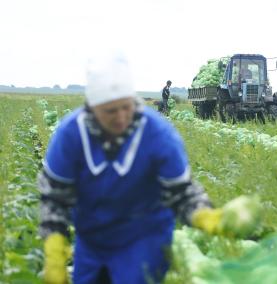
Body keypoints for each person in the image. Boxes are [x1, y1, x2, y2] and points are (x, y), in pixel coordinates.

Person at [38, 53, 251, 284]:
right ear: (93, 107)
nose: (120, 117)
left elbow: (181, 192)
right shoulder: (70, 135)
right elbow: (54, 198)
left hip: (146, 240)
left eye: (126, 107)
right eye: (110, 111)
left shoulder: (158, 134)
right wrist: (54, 249)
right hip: (93, 242)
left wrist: (204, 215)